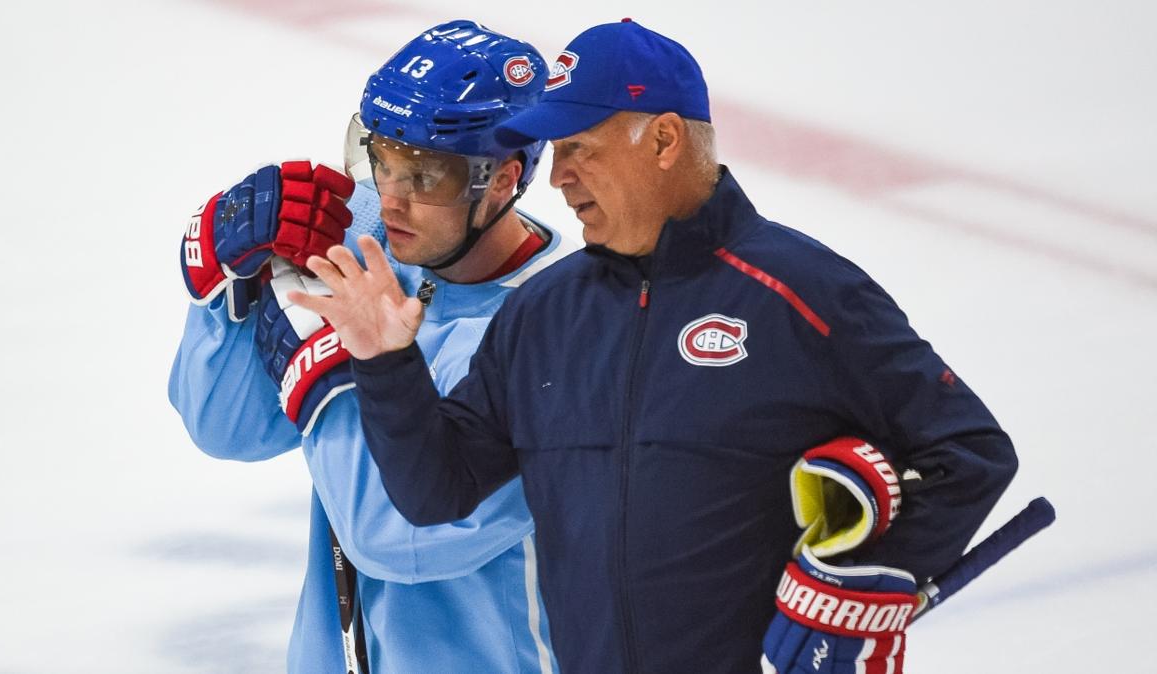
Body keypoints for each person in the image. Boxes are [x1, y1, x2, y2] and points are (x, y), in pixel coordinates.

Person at [293, 19, 1019, 674]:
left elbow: (970, 455)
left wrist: (862, 582)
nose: (561, 174)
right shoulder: (544, 313)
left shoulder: (799, 291)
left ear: (665, 140)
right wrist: (385, 362)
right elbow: (435, 491)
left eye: (580, 148)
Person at [168, 20, 568, 674]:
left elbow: (405, 540)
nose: (389, 196)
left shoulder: (558, 332)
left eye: (426, 175)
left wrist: (329, 376)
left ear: (502, 179)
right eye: (380, 155)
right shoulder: (369, 239)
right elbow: (226, 428)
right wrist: (227, 288)